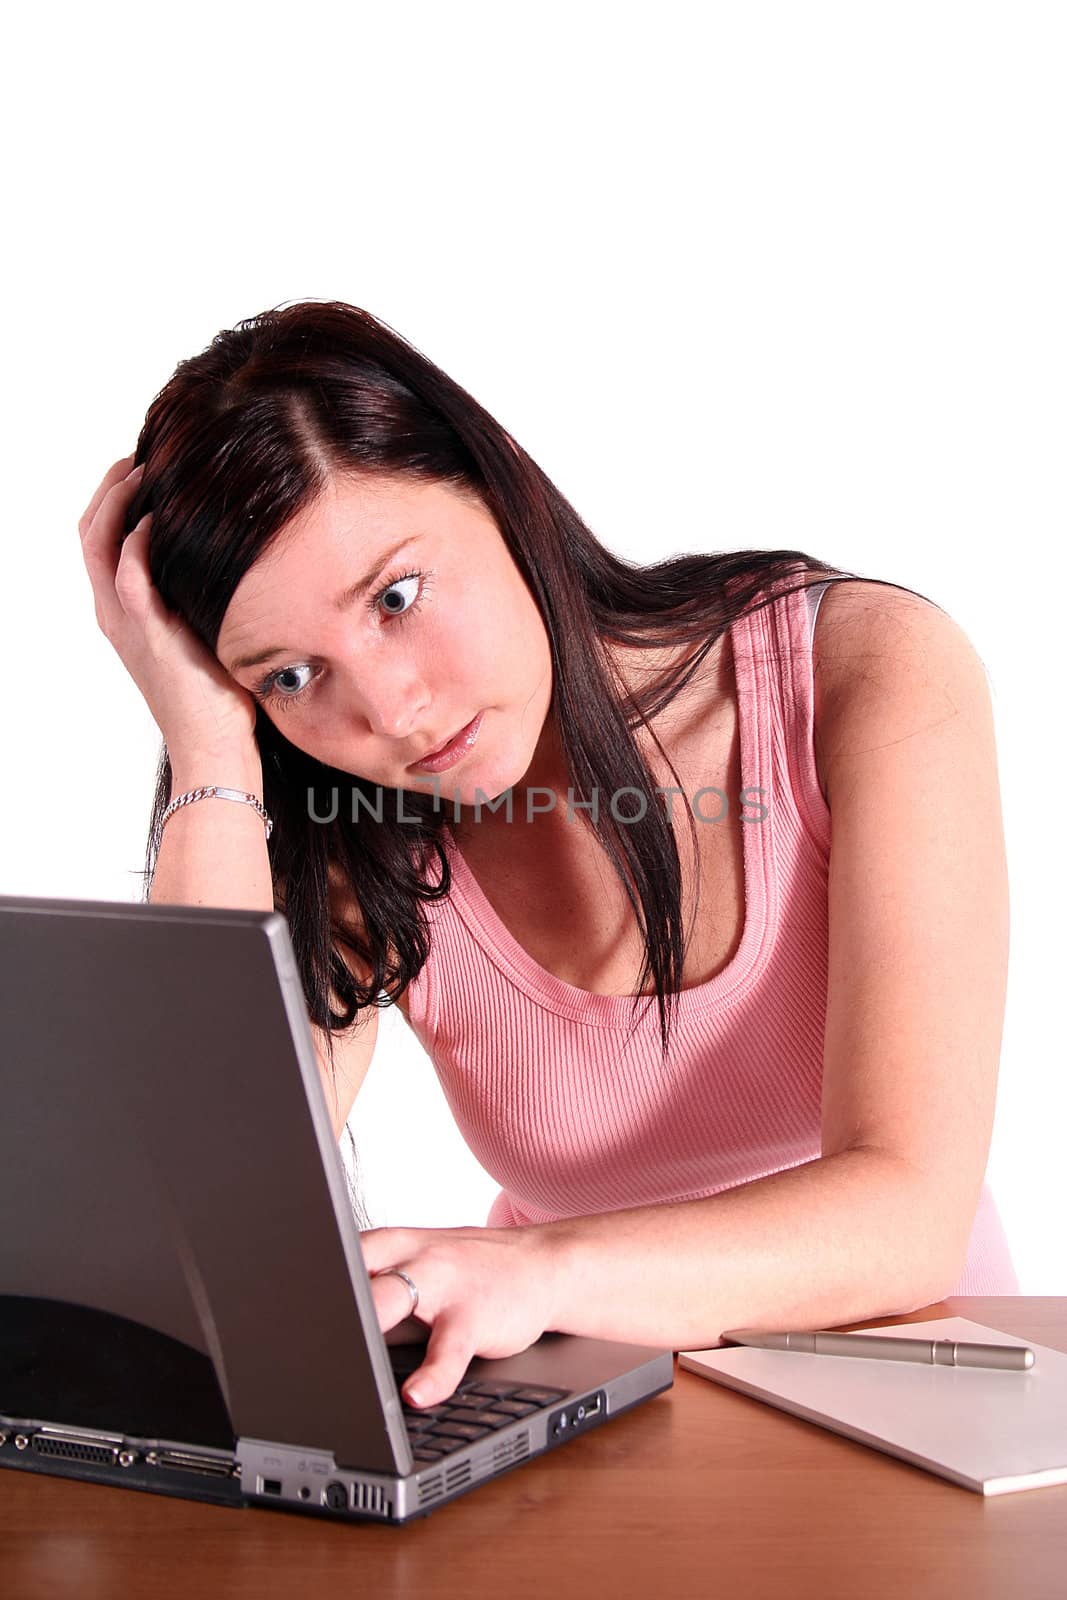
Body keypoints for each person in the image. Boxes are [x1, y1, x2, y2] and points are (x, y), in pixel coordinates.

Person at [78, 300, 1017, 1412]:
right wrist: (205, 740)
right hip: (585, 1410)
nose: (391, 710)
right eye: (288, 673)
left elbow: (906, 1216)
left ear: (501, 481)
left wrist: (538, 1267)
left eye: (395, 596)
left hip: (911, 1393)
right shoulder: (360, 827)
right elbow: (210, 1207)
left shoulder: (857, 672)